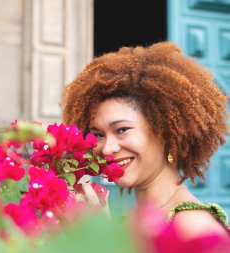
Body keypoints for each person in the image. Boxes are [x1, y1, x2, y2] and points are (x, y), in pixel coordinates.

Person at [60, 41, 229, 239]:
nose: (107, 148)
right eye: (98, 135)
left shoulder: (195, 228)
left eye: (122, 130)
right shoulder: (128, 222)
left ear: (164, 132)